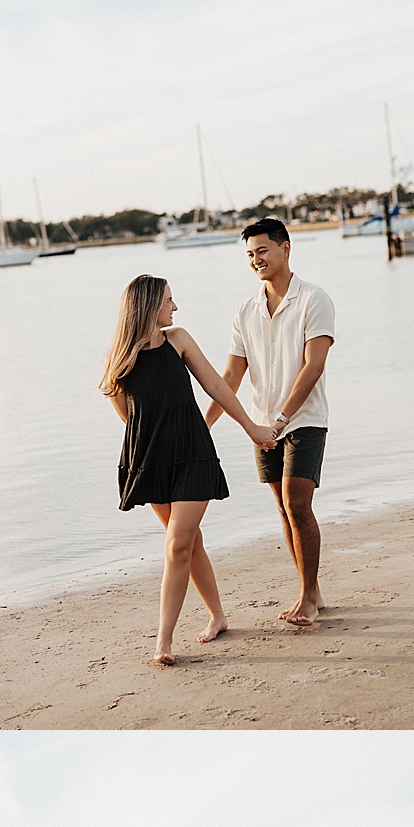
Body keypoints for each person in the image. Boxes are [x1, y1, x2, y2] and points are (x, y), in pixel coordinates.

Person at [99, 275, 276, 666]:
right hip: (150, 460)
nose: (174, 308)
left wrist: (251, 428)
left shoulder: (177, 339)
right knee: (189, 542)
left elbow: (217, 385)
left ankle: (163, 640)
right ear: (147, 306)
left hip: (193, 452)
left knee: (177, 545)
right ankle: (218, 616)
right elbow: (130, 419)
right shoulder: (120, 359)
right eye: (168, 301)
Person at [205, 220, 335, 627]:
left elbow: (314, 365)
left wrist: (283, 417)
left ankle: (308, 596)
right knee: (282, 509)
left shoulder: (314, 298)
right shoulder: (245, 312)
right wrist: (202, 425)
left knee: (298, 503)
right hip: (263, 426)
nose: (256, 260)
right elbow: (229, 379)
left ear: (285, 248)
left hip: (304, 420)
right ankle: (309, 589)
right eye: (249, 254)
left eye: (262, 250)